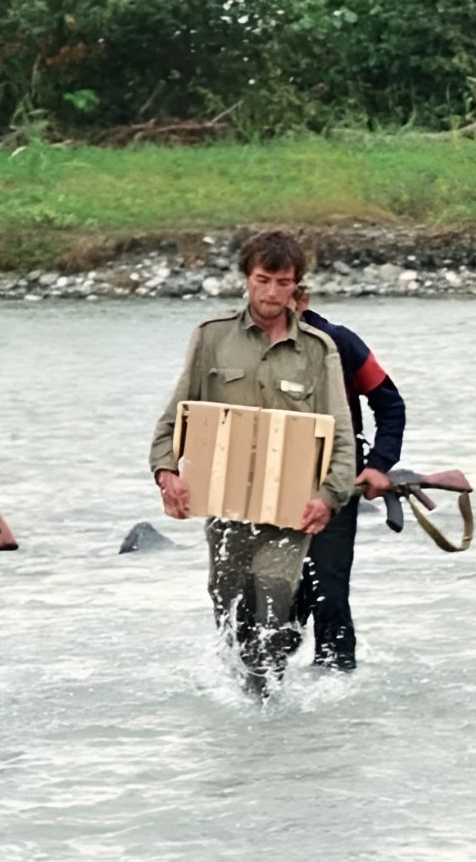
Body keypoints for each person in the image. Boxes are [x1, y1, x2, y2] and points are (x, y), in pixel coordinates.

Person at [148, 231, 355, 696]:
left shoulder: (319, 350)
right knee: (229, 610)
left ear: (296, 286)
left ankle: (268, 704)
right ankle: (250, 707)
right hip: (226, 504)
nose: (271, 293)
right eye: (263, 280)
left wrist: (328, 496)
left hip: (290, 510)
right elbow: (175, 417)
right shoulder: (211, 338)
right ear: (247, 278)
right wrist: (167, 474)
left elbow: (340, 435)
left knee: (274, 601)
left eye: (283, 282)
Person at [288, 286, 406, 672]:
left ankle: (338, 690)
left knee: (330, 591)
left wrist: (378, 464)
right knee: (273, 596)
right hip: (272, 488)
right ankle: (268, 682)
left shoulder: (341, 343)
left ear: (301, 297)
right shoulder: (241, 344)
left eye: (282, 290)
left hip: (336, 482)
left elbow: (390, 404)